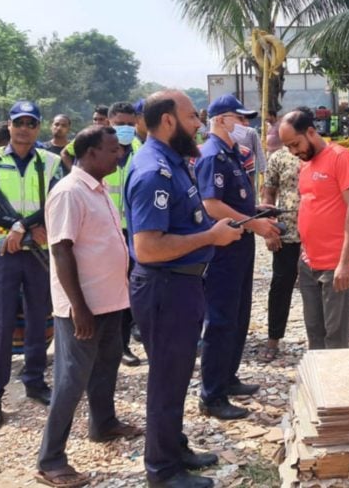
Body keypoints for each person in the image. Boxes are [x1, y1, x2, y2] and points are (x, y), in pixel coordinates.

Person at [126, 90, 242, 488]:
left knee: (175, 377)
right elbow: (148, 246)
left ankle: (174, 448)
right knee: (166, 381)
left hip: (181, 286)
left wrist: (208, 237)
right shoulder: (152, 171)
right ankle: (162, 470)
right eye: (193, 117)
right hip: (165, 288)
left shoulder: (173, 162)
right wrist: (209, 236)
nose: (199, 124)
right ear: (169, 121)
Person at [35, 126, 142, 488]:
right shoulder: (68, 192)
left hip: (110, 300)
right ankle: (50, 459)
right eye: (113, 150)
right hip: (84, 306)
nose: (119, 155)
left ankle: (103, 423)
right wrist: (78, 307)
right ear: (91, 152)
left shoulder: (97, 189)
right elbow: (61, 250)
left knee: (106, 366)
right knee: (71, 380)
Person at [0, 101, 64, 430]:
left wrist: (23, 226)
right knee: (2, 322)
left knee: (39, 317)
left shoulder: (51, 162)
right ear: (8, 125)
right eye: (18, 122)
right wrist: (16, 224)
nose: (24, 128)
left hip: (37, 251)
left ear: (38, 128)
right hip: (2, 252)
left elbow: (56, 200)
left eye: (31, 123)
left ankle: (35, 382)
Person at [196, 95, 280, 420]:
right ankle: (211, 395)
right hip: (223, 250)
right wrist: (254, 223)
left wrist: (255, 212)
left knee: (238, 316)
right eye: (239, 119)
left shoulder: (231, 153)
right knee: (219, 321)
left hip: (241, 246)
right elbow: (212, 205)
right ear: (221, 120)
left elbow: (234, 200)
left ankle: (227, 378)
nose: (245, 126)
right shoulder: (212, 155)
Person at [279, 107, 349, 350]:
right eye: (289, 148)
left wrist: (345, 263)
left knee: (335, 338)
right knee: (314, 332)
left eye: (296, 144)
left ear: (312, 132)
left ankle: (335, 385)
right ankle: (319, 384)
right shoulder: (306, 163)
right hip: (309, 262)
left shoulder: (340, 158)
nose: (294, 152)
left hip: (336, 263)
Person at [106, 101, 142, 367]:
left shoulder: (142, 151)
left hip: (132, 230)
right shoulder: (99, 150)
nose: (126, 129)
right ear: (109, 123)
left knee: (129, 289)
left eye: (130, 124)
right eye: (120, 124)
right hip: (104, 230)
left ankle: (123, 345)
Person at [259, 145, 301, 361]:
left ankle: (323, 343)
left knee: (321, 290)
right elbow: (269, 194)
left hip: (317, 237)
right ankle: (273, 339)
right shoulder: (279, 157)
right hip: (287, 235)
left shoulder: (322, 156)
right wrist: (269, 230)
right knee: (280, 288)